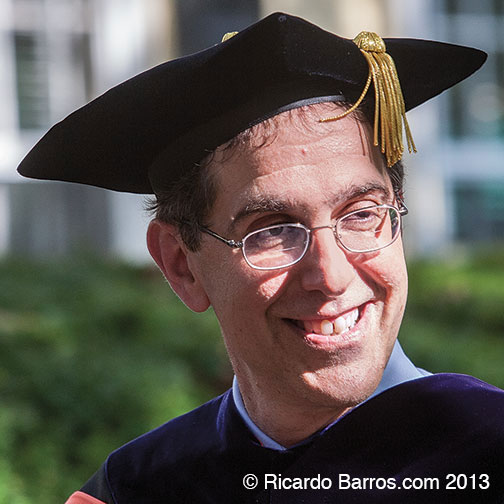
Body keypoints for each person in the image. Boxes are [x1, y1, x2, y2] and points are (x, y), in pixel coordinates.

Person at [17, 12, 504, 504]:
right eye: (273, 230)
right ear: (181, 265)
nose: (330, 276)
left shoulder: (486, 452)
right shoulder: (136, 490)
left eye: (360, 214)